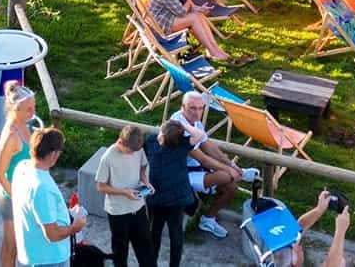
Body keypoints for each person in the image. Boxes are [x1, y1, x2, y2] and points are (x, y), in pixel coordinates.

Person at [170, 90, 245, 239]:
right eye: (192, 108)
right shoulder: (178, 126)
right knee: (226, 176)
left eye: (200, 108)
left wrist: (232, 165)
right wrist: (229, 170)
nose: (197, 112)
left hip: (196, 168)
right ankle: (207, 197)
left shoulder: (194, 121)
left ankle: (208, 219)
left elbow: (208, 145)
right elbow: (203, 158)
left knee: (232, 186)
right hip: (180, 173)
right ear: (182, 107)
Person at [12, 127, 85, 267]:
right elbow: (52, 235)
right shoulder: (42, 188)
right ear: (52, 154)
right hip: (49, 258)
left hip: (31, 252)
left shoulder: (22, 167)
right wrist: (75, 227)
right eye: (59, 152)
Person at [148, 0, 250, 66]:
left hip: (171, 16)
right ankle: (213, 52)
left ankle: (215, 50)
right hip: (160, 24)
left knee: (198, 15)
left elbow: (186, 6)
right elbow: (182, 12)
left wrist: (198, 8)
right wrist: (188, 0)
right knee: (194, 19)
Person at [96, 124, 158, 267]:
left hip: (138, 207)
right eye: (129, 151)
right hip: (118, 211)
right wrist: (124, 192)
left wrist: (146, 182)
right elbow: (100, 186)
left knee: (145, 246)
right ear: (121, 141)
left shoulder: (138, 149)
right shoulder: (107, 158)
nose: (132, 154)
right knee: (120, 250)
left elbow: (142, 167)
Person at [0, 82, 38, 267]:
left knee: (18, 244)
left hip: (23, 195)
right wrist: (17, 198)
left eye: (33, 107)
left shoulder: (24, 125)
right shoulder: (12, 135)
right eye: (28, 109)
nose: (32, 112)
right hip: (11, 197)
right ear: (15, 110)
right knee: (11, 245)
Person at [146, 120, 197, 267]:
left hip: (165, 198)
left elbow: (200, 135)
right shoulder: (179, 144)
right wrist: (184, 126)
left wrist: (183, 125)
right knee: (163, 232)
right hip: (168, 197)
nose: (160, 138)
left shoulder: (155, 141)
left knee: (166, 233)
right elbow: (199, 135)